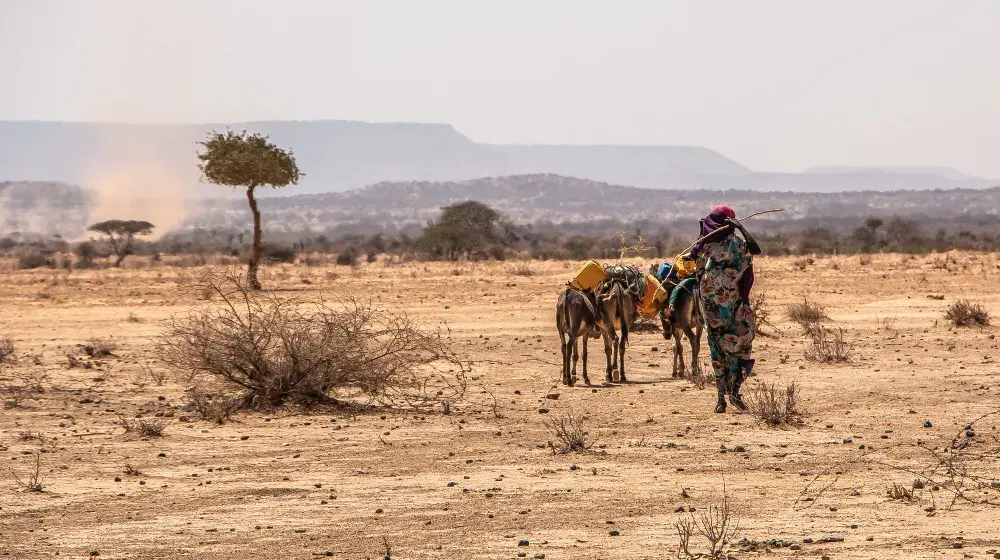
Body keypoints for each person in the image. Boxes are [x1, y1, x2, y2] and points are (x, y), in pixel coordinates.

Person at [690, 205, 762, 413]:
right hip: (731, 305)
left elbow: (698, 274)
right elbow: (755, 249)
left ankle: (721, 399)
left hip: (709, 305)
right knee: (740, 343)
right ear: (729, 222)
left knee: (717, 348)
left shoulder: (702, 245)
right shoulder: (734, 243)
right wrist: (740, 228)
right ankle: (735, 392)